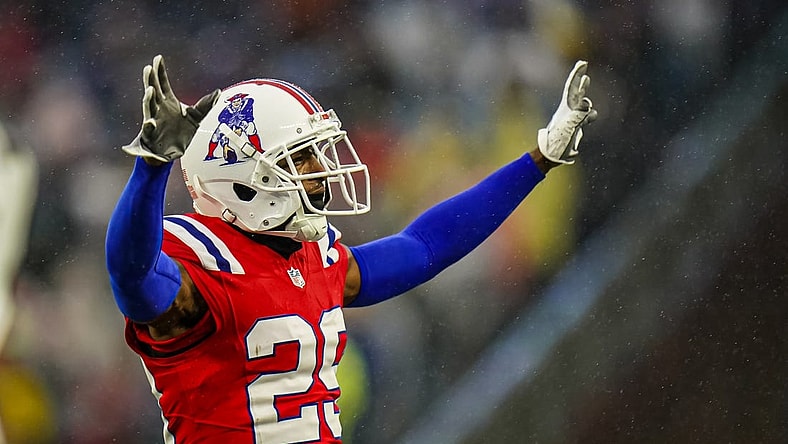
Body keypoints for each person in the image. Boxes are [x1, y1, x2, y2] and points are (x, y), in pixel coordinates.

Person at [105, 54, 597, 443]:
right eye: (299, 160)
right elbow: (132, 273)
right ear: (243, 182)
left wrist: (539, 159)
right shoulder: (199, 266)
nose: (321, 173)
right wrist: (151, 167)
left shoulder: (313, 256)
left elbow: (424, 246)